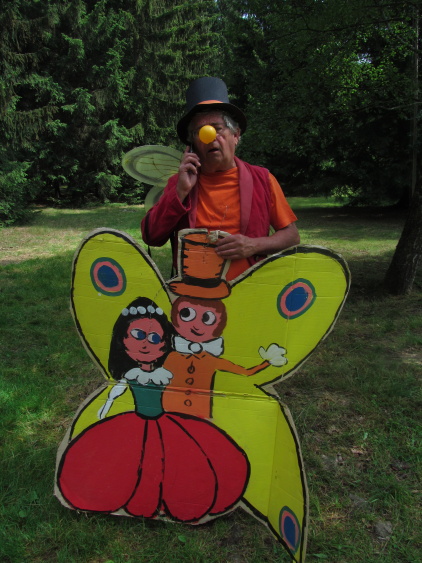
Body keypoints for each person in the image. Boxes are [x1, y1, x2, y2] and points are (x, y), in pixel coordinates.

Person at [141, 76, 300, 281]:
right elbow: (151, 236)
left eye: (217, 129)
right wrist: (180, 192)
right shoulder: (180, 183)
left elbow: (291, 236)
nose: (210, 138)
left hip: (248, 288)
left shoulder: (263, 180)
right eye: (200, 132)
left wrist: (253, 245)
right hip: (193, 293)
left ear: (236, 135)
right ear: (192, 144)